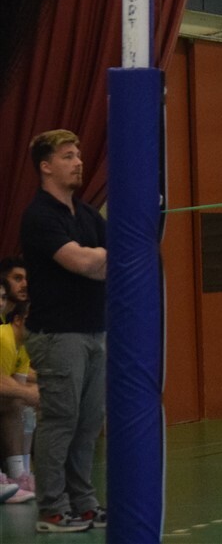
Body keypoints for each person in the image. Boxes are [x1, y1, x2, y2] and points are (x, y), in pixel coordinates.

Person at [19, 129, 107, 533]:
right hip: (57, 334)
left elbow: (110, 263)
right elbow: (83, 264)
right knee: (61, 419)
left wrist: (98, 257)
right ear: (46, 166)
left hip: (93, 330)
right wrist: (98, 258)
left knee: (88, 422)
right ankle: (52, 508)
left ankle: (83, 502)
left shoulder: (86, 215)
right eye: (68, 156)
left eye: (78, 155)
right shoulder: (40, 216)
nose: (78, 162)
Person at [0, 259, 36, 506]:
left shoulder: (19, 342)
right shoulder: (4, 337)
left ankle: (21, 474)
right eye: (17, 278)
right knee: (18, 400)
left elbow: (16, 383)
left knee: (20, 404)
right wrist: (32, 393)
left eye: (3, 298)